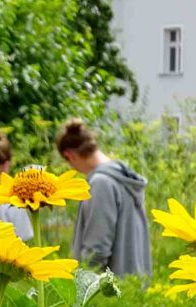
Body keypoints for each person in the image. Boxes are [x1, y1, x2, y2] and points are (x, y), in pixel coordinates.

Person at [56, 118, 152, 277]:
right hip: (132, 285)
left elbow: (97, 250)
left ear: (70, 156)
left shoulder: (101, 183)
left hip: (110, 291)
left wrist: (81, 285)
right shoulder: (123, 177)